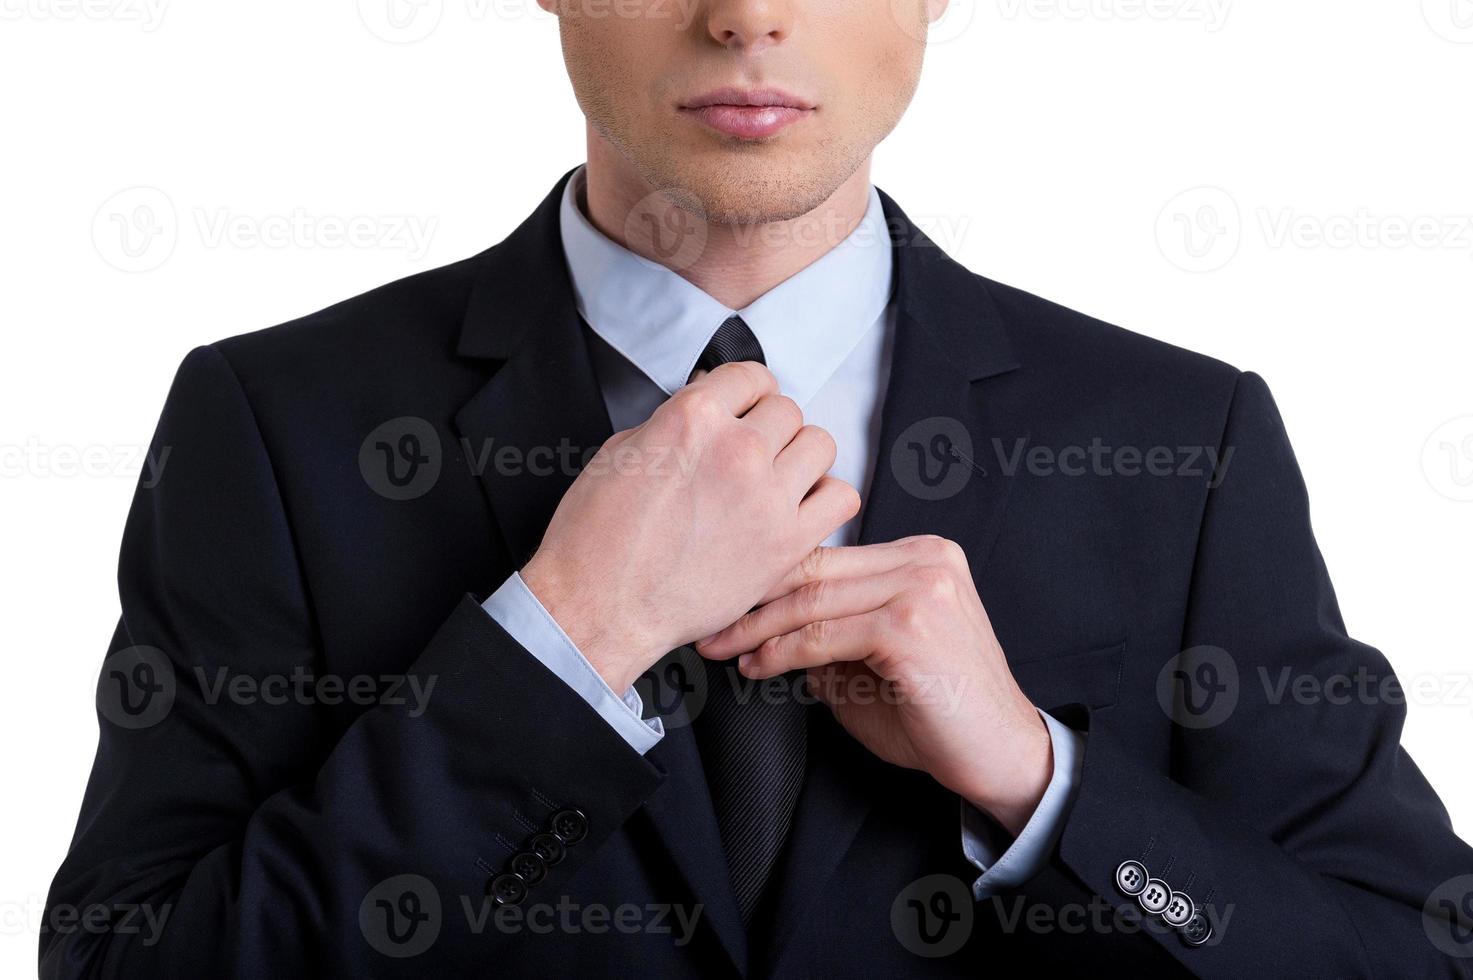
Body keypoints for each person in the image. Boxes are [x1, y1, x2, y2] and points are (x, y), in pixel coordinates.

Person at [43, 0, 1473, 976]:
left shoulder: (1182, 440)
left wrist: (1044, 787)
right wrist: (558, 645)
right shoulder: (273, 424)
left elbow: (1412, 953)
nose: (742, 11)